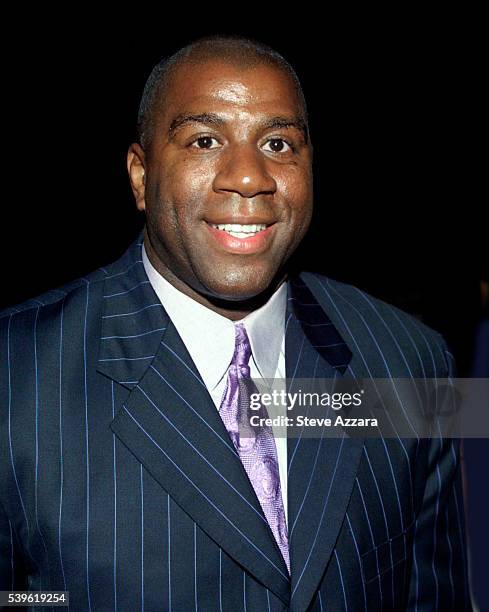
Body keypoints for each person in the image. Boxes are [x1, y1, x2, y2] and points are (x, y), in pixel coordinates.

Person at [0, 35, 472, 611]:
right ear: (140, 175)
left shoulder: (414, 362)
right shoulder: (14, 374)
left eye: (277, 143)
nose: (249, 176)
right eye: (204, 140)